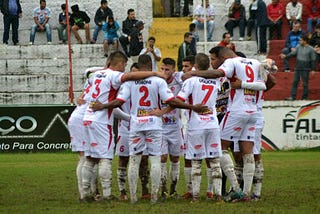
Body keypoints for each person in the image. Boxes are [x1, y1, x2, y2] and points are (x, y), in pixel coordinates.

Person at [90, 54, 207, 204]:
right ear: (151, 65)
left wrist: (103, 106)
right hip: (154, 123)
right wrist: (192, 107)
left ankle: (133, 197)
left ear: (138, 65)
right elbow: (172, 101)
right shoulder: (158, 80)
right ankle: (154, 197)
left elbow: (119, 101)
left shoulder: (131, 82)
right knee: (155, 160)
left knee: (134, 160)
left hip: (136, 124)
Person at [184, 46, 266, 202]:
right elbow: (263, 85)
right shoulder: (255, 62)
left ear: (222, 57)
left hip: (236, 110)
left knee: (219, 147)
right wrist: (244, 85)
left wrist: (194, 73)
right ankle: (247, 193)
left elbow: (218, 73)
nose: (214, 63)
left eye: (214, 59)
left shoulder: (230, 62)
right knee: (247, 152)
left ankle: (236, 188)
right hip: (253, 112)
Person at [177, 53, 223, 203]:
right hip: (212, 123)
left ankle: (195, 197)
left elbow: (179, 100)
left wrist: (191, 107)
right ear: (208, 65)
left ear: (195, 66)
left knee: (196, 162)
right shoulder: (216, 81)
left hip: (196, 124)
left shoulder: (191, 81)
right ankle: (218, 196)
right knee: (214, 161)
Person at [68, 67, 104, 201]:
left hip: (84, 118)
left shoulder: (94, 82)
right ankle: (84, 194)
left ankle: (93, 192)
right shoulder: (100, 79)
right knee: (85, 158)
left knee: (93, 157)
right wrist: (105, 68)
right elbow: (88, 71)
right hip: (81, 120)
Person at [156, 58, 184, 200]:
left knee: (175, 158)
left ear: (174, 70)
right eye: (162, 69)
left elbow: (179, 101)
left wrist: (164, 111)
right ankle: (163, 190)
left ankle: (173, 190)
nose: (164, 72)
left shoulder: (179, 81)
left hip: (175, 127)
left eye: (167, 69)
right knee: (161, 158)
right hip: (160, 128)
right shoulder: (156, 82)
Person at [280, 35, 317, 101]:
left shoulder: (311, 49)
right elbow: (292, 54)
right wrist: (286, 56)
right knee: (295, 82)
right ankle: (292, 96)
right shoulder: (298, 47)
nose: (299, 41)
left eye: (301, 40)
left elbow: (313, 59)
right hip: (298, 67)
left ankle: (304, 97)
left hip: (306, 68)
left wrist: (313, 69)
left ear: (305, 41)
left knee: (305, 83)